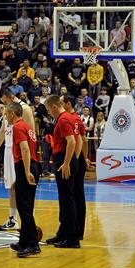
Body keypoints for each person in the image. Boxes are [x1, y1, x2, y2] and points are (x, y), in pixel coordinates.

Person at [0, 88, 36, 231]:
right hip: (8, 150)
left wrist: (29, 157)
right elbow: (3, 131)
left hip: (21, 151)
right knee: (10, 186)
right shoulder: (8, 112)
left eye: (4, 101)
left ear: (9, 97)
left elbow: (32, 133)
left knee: (23, 187)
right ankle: (13, 219)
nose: (3, 105)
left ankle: (28, 221)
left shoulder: (25, 109)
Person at [44, 95, 80, 248]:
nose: (48, 113)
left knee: (68, 200)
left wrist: (66, 164)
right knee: (64, 200)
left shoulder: (64, 119)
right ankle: (63, 233)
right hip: (63, 159)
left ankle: (72, 239)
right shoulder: (65, 117)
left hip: (64, 160)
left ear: (53, 106)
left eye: (47, 110)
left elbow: (72, 141)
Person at [5, 102, 41, 258]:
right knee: (25, 206)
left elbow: (25, 149)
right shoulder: (27, 127)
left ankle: (33, 244)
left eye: (6, 114)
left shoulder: (18, 127)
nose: (6, 117)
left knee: (24, 207)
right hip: (31, 166)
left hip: (26, 166)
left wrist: (25, 172)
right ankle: (24, 241)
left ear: (12, 114)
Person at [62, 95, 91, 241]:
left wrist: (78, 158)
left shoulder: (74, 118)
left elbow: (82, 140)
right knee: (75, 195)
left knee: (77, 196)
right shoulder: (72, 117)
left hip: (75, 159)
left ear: (67, 104)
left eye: (62, 102)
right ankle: (71, 229)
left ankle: (77, 230)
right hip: (78, 159)